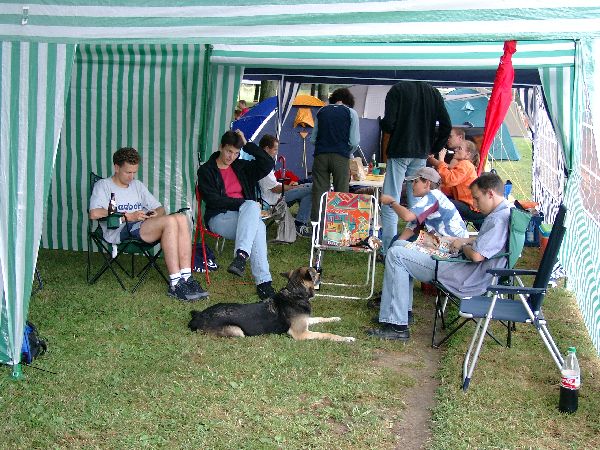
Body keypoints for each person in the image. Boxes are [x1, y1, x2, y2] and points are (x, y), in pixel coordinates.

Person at [367, 172, 511, 341]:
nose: (474, 204)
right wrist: (465, 240)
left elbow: (477, 256)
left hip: (464, 275)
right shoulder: (503, 214)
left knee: (396, 255)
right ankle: (401, 312)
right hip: (465, 267)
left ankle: (397, 326)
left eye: (477, 198)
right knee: (399, 246)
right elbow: (484, 244)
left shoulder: (497, 220)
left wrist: (462, 245)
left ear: (490, 194)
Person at [89, 147, 208, 301]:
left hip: (143, 225)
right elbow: (94, 213)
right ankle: (175, 283)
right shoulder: (104, 185)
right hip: (120, 229)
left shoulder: (137, 185)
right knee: (171, 221)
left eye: (134, 172)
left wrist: (154, 213)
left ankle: (187, 277)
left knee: (181, 218)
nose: (131, 177)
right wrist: (127, 216)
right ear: (116, 167)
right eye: (128, 172)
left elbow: (160, 208)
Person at [197, 130, 276, 300]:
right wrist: (243, 204)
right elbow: (213, 200)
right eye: (228, 151)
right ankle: (263, 283)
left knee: (257, 223)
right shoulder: (206, 170)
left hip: (245, 216)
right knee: (254, 213)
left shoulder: (240, 167)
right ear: (221, 147)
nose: (231, 157)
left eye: (236, 153)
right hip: (219, 217)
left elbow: (267, 163)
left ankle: (241, 257)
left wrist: (247, 145)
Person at [379, 81, 452, 255]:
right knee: (418, 203)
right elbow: (446, 125)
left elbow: (388, 123)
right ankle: (415, 247)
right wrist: (434, 148)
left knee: (390, 199)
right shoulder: (433, 92)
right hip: (421, 152)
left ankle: (388, 249)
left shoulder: (397, 89)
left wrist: (385, 124)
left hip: (399, 150)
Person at [380, 167, 469, 244]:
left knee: (402, 246)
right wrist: (398, 242)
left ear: (427, 183)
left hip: (453, 244)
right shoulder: (433, 197)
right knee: (397, 241)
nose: (412, 185)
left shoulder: (433, 196)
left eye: (415, 182)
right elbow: (415, 225)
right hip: (449, 241)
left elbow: (407, 216)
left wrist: (392, 202)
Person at [309, 88, 360, 222]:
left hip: (320, 155)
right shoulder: (351, 113)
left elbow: (313, 139)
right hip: (341, 156)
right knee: (341, 193)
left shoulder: (322, 111)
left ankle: (317, 225)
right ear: (348, 101)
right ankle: (338, 226)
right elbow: (354, 141)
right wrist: (348, 151)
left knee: (319, 192)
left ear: (334, 99)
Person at [257, 134, 313, 237]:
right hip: (275, 201)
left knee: (309, 188)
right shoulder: (263, 166)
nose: (276, 152)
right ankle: (300, 223)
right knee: (312, 187)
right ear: (266, 149)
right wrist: (295, 187)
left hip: (277, 196)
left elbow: (274, 185)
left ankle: (300, 223)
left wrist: (295, 186)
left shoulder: (263, 162)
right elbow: (276, 189)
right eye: (275, 149)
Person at [428, 140, 486, 225]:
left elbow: (449, 180)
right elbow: (449, 188)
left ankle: (437, 228)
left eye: (459, 148)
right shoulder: (464, 164)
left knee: (440, 203)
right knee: (439, 199)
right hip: (471, 206)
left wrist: (441, 161)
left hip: (471, 208)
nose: (455, 150)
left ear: (467, 154)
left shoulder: (465, 164)